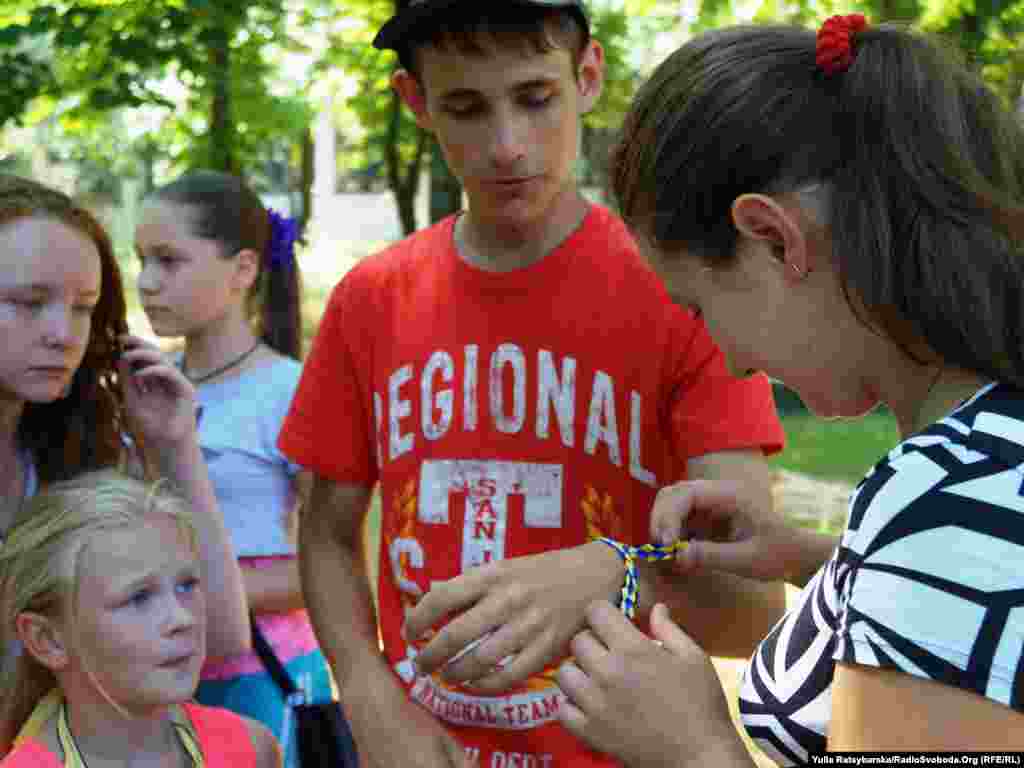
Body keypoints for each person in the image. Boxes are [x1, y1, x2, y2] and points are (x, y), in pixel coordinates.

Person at [278, 1, 788, 766]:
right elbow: (325, 532)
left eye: (535, 97)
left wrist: (614, 576)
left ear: (588, 76)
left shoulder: (683, 295)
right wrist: (365, 688)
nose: (507, 145)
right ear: (415, 101)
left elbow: (752, 605)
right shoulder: (370, 300)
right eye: (465, 107)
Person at [553, 14, 1024, 766]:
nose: (733, 363)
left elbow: (955, 566)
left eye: (699, 307)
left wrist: (692, 749)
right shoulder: (983, 466)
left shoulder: (946, 510)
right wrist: (815, 558)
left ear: (775, 238)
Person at [0, 174, 249, 682]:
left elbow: (221, 637)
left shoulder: (75, 462)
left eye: (83, 308)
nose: (63, 334)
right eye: (29, 302)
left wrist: (174, 449)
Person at [135, 170, 334, 764]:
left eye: (169, 261)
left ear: (243, 270)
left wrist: (194, 596)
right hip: (150, 675)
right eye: (141, 260)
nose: (146, 282)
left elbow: (331, 567)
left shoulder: (291, 391)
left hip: (261, 679)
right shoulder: (142, 385)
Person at [0, 469, 281, 767]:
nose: (182, 618)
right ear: (47, 639)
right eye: (139, 597)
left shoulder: (250, 748)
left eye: (186, 585)